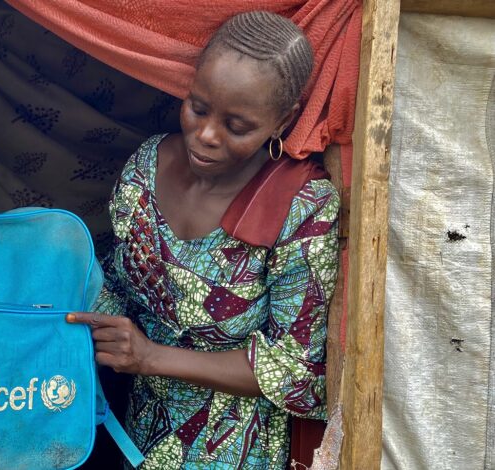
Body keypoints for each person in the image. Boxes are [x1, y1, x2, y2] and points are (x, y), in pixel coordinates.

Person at [66, 10, 340, 470]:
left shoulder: (302, 205)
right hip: (135, 431)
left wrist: (151, 356)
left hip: (233, 450)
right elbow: (116, 279)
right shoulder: (145, 166)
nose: (206, 136)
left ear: (281, 120)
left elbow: (299, 373)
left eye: (237, 127)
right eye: (197, 108)